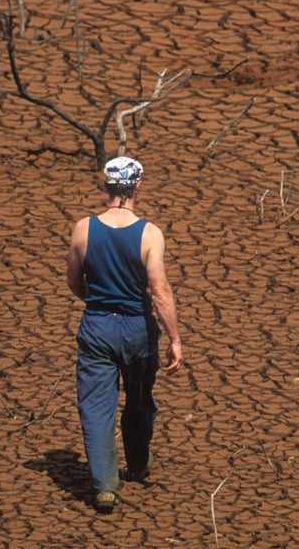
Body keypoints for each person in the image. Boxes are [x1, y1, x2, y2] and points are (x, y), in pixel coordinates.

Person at [66, 156, 184, 513]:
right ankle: (137, 462)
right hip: (137, 328)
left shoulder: (83, 229)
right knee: (139, 398)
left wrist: (101, 304)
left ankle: (104, 486)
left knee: (97, 408)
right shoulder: (149, 233)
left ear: (106, 186)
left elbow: (74, 282)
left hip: (97, 327)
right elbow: (160, 291)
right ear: (137, 187)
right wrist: (175, 338)